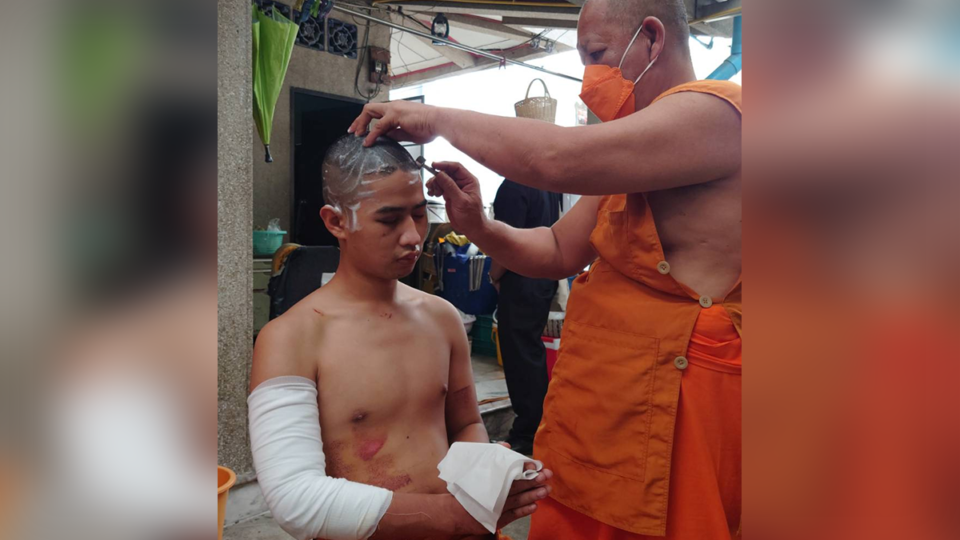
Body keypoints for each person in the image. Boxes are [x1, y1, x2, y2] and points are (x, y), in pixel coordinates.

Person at [348, 0, 742, 537]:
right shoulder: (633, 161)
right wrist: (480, 225)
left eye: (597, 54)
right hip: (603, 407)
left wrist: (437, 118)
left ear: (651, 39)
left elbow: (560, 161)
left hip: (676, 414)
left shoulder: (721, 113)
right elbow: (557, 248)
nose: (589, 78)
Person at [248, 135, 551, 540]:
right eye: (389, 220)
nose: (413, 236)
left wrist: (486, 476)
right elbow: (296, 499)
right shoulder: (290, 338)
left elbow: (465, 425)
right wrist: (451, 517)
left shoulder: (441, 318)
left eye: (420, 215)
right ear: (336, 221)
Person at [489, 180, 561, 456]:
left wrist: (494, 276)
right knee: (531, 351)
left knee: (520, 356)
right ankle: (539, 425)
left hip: (520, 279)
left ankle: (527, 433)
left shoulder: (512, 188)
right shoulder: (546, 186)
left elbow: (505, 244)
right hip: (543, 277)